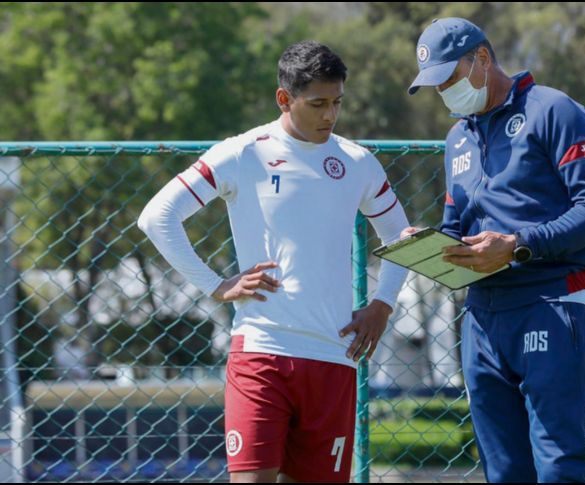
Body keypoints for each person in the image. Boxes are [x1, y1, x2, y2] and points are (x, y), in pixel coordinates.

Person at [138, 41, 409, 483]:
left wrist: (383, 304)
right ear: (284, 99)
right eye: (317, 103)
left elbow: (401, 236)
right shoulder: (243, 152)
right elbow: (157, 217)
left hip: (333, 357)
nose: (330, 116)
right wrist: (214, 284)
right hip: (261, 353)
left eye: (337, 103)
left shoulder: (358, 162)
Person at [405, 18, 585, 483]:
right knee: (501, 470)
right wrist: (429, 246)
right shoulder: (456, 139)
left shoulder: (554, 110)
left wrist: (518, 247)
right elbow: (455, 224)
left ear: (482, 59)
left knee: (558, 465)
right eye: (434, 85)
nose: (444, 92)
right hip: (482, 314)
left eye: (448, 78)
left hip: (551, 301)